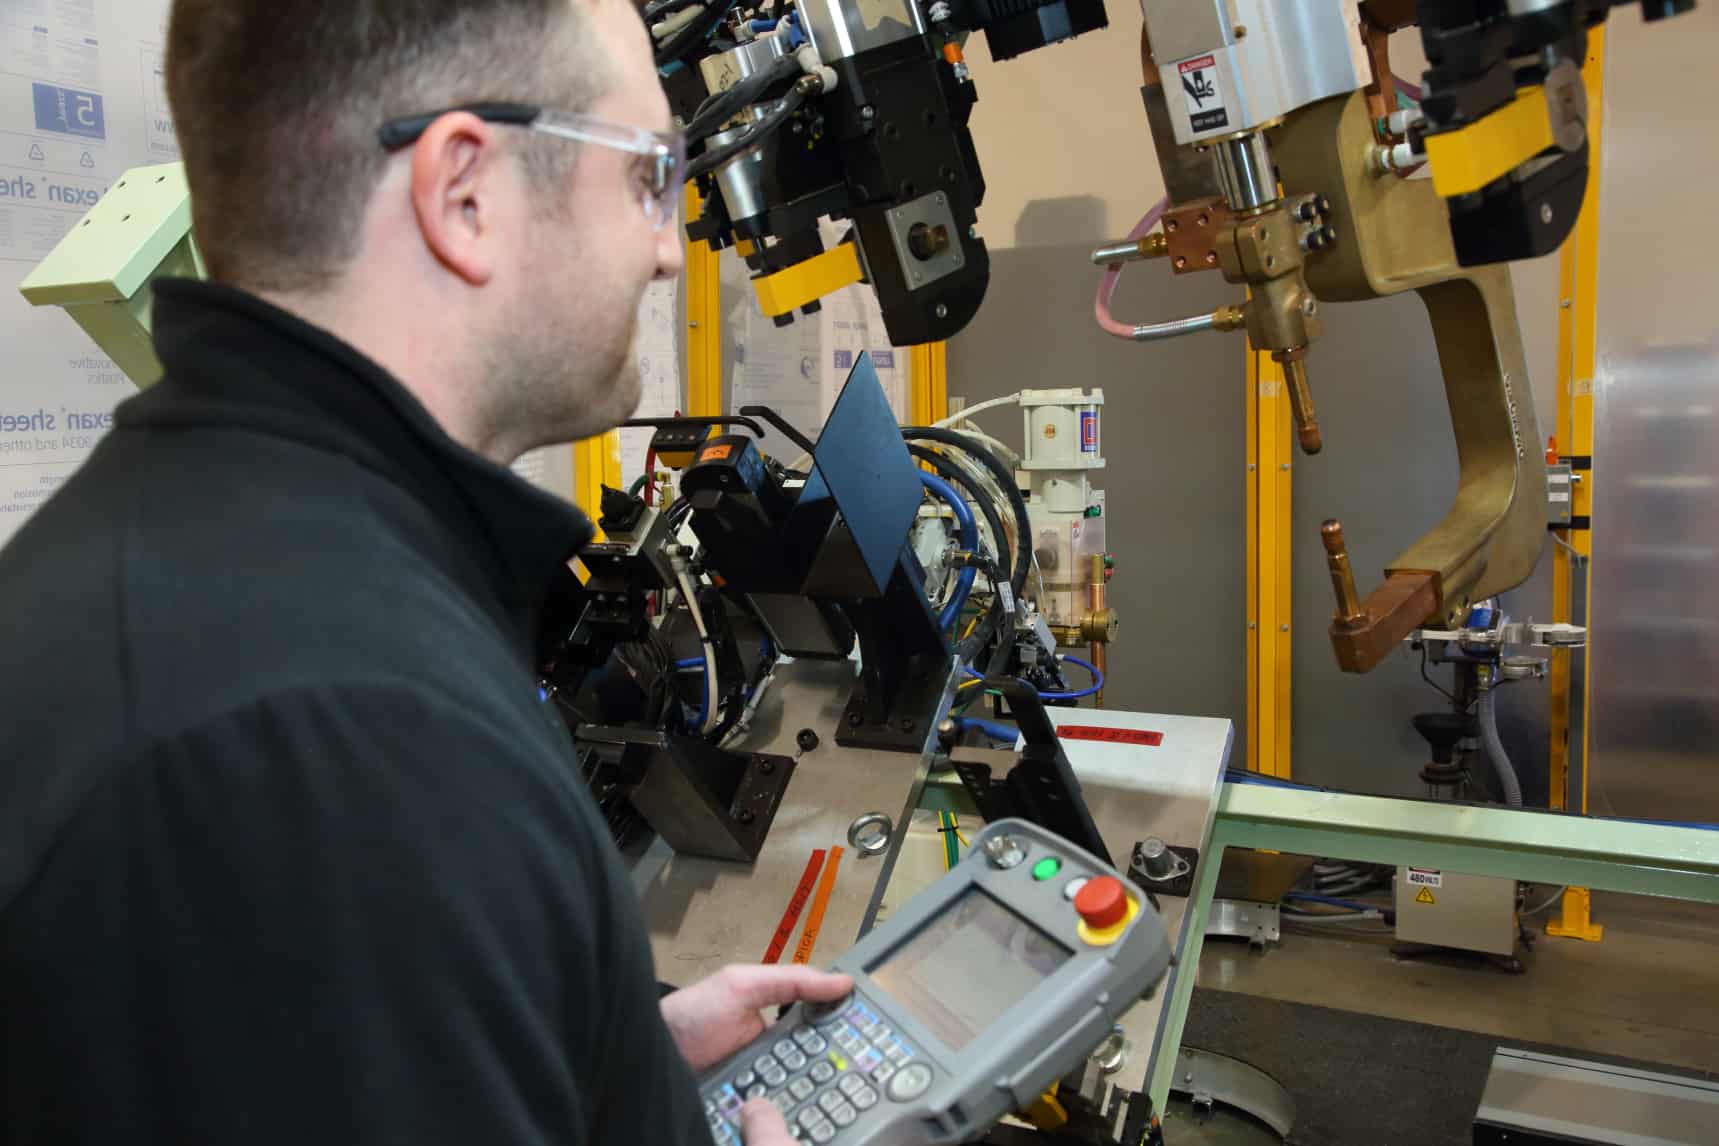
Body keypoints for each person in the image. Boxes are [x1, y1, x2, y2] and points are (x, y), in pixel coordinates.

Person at [0, 1, 849, 1142]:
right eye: (652, 174)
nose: (667, 244)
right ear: (464, 193)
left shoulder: (205, 553)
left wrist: (610, 1044)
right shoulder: (354, 733)